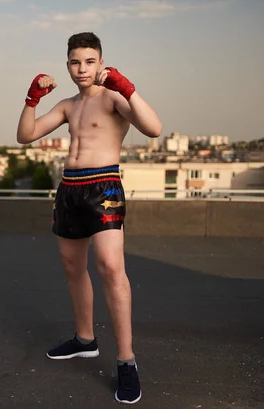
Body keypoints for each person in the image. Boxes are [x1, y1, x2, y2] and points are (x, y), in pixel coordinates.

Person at [16, 32, 162, 405]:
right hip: (70, 189)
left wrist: (127, 88)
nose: (82, 69)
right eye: (75, 63)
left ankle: (126, 362)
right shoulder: (67, 105)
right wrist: (32, 99)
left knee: (112, 268)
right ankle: (85, 340)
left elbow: (154, 128)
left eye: (89, 61)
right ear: (68, 66)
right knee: (72, 268)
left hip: (103, 187)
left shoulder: (114, 98)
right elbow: (26, 135)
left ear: (101, 62)